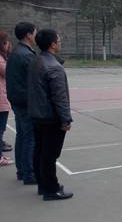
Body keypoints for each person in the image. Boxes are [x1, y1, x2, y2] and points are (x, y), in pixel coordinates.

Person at [28, 29, 73, 201]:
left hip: (37, 115)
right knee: (50, 155)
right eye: (58, 40)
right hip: (51, 117)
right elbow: (60, 97)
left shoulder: (36, 61)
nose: (60, 43)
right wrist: (66, 119)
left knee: (40, 152)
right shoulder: (54, 67)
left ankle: (43, 185)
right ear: (53, 44)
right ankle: (51, 189)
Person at [6, 22, 37, 184]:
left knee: (22, 135)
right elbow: (35, 80)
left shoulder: (16, 52)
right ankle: (29, 173)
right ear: (28, 35)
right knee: (30, 138)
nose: (36, 35)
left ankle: (22, 171)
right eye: (35, 32)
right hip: (26, 101)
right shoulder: (26, 55)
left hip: (17, 99)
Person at [0, 31, 13, 166]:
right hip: (1, 99)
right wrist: (8, 53)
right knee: (0, 128)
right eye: (6, 42)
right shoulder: (0, 59)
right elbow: (9, 72)